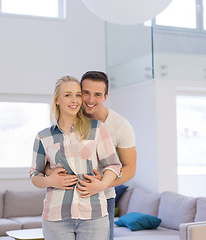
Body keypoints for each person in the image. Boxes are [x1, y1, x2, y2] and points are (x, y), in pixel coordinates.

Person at [30, 76, 122, 240]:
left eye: (78, 95)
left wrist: (101, 185)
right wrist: (50, 181)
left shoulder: (97, 129)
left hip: (93, 215)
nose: (74, 100)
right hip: (55, 216)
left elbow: (114, 165)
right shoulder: (43, 137)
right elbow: (35, 174)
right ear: (57, 100)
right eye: (68, 95)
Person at [77, 71, 137, 240]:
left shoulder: (120, 126)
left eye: (97, 94)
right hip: (71, 199)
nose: (90, 100)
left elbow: (130, 168)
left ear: (105, 96)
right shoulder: (68, 119)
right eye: (86, 93)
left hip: (104, 199)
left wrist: (102, 185)